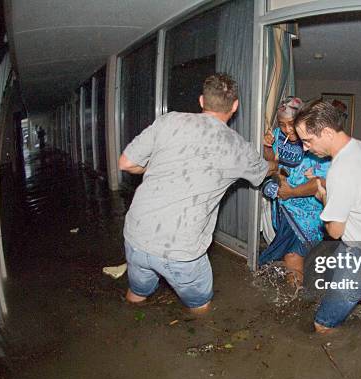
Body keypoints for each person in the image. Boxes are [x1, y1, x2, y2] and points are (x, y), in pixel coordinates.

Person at [118, 73, 277, 314]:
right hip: (181, 249)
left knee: (137, 294)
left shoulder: (168, 121)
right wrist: (276, 164)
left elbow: (126, 163)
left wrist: (159, 166)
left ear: (202, 101)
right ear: (235, 106)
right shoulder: (238, 148)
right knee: (201, 307)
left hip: (136, 235)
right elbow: (266, 170)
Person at [294, 100, 361, 333]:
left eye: (308, 141)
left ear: (327, 132)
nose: (305, 148)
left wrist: (324, 199)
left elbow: (334, 231)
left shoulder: (340, 170)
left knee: (323, 323)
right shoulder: (359, 147)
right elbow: (355, 190)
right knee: (338, 287)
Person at [259, 97, 331, 286]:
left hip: (309, 213)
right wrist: (267, 147)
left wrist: (291, 192)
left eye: (292, 124)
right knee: (289, 257)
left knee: (292, 256)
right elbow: (273, 164)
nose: (288, 130)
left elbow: (321, 183)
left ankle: (295, 301)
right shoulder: (278, 135)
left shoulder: (314, 141)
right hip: (284, 208)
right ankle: (298, 292)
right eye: (282, 125)